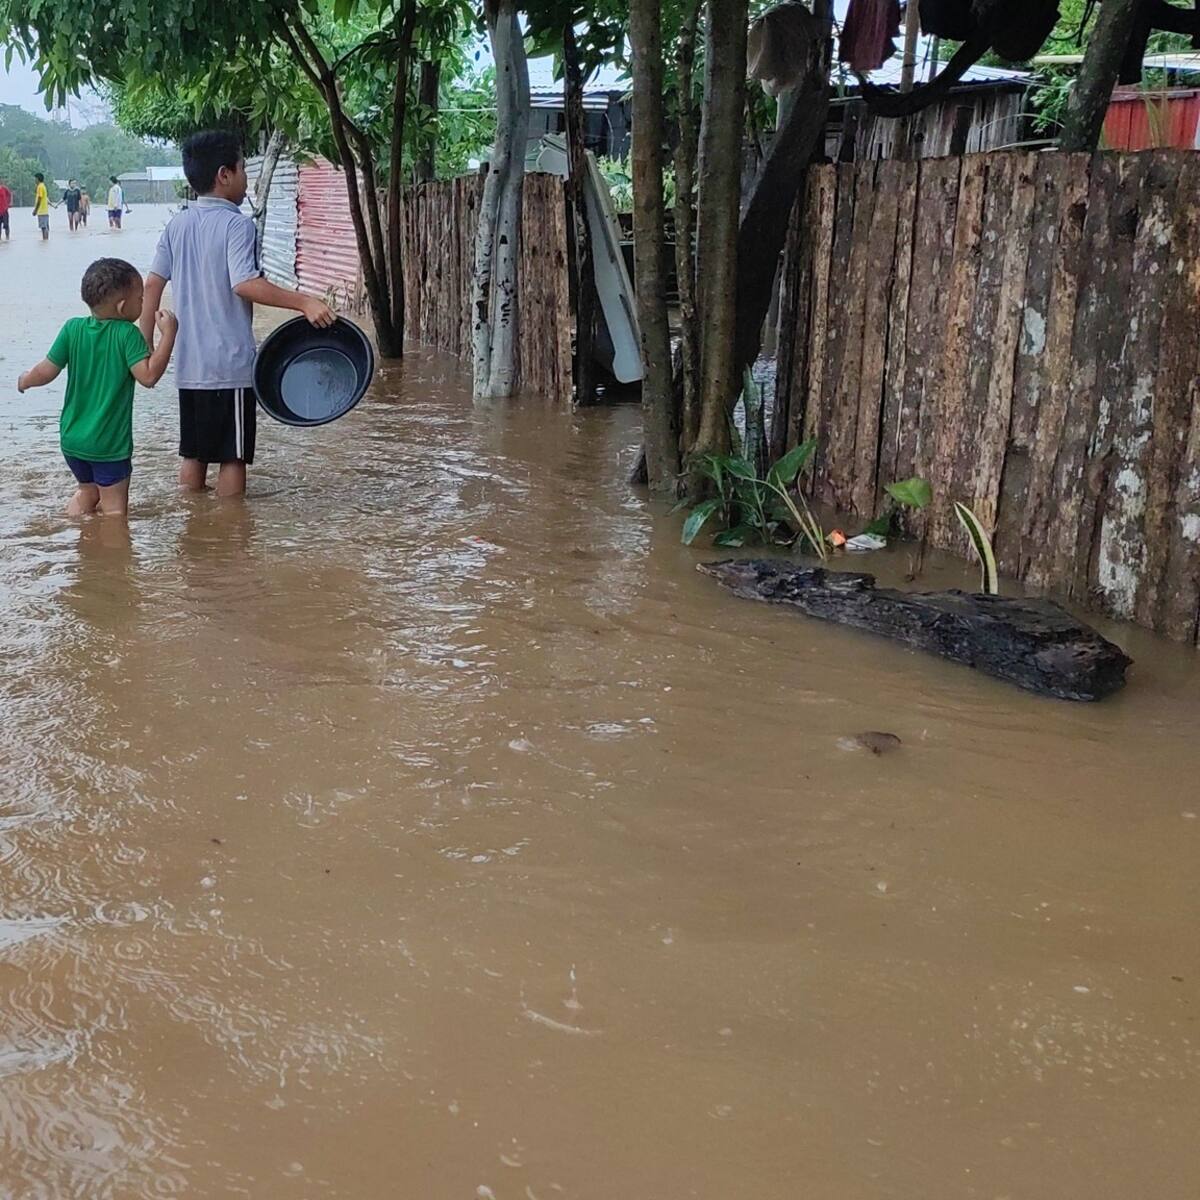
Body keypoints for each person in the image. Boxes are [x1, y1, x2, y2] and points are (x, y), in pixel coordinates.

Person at [141, 129, 334, 498]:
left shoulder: (177, 225)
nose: (246, 177)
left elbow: (152, 285)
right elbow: (245, 284)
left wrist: (144, 346)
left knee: (193, 454)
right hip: (229, 369)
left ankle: (193, 524)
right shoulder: (237, 224)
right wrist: (304, 301)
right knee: (233, 457)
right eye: (244, 168)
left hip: (190, 369)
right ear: (224, 175)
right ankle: (231, 529)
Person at [16, 258, 177, 518]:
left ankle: (74, 532)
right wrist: (168, 335)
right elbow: (148, 377)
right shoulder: (127, 334)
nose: (143, 303)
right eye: (140, 298)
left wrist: (25, 379)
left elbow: (45, 371)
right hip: (108, 445)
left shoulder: (72, 328)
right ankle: (107, 546)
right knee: (114, 512)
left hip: (72, 440)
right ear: (122, 306)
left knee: (87, 492)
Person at [33, 172, 49, 240]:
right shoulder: (42, 186)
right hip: (45, 210)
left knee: (43, 227)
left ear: (37, 179)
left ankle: (45, 240)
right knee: (45, 227)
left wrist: (35, 210)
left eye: (35, 179)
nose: (34, 180)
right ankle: (45, 241)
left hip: (41, 211)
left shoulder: (40, 187)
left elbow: (39, 199)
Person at [0, 175, 11, 241]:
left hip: (4, 210)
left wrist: (9, 203)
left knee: (6, 225)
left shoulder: (4, 188)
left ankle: (7, 238)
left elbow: (9, 194)